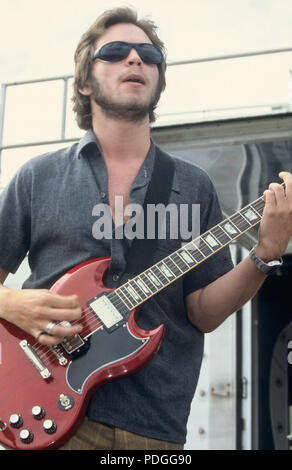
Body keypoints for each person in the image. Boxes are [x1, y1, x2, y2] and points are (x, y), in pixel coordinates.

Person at [0, 6, 292, 451]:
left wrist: (262, 256)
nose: (135, 59)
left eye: (149, 54)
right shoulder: (37, 177)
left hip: (154, 426)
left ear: (158, 81)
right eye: (116, 51)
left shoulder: (192, 184)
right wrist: (13, 303)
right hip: (51, 420)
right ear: (84, 81)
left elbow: (202, 312)